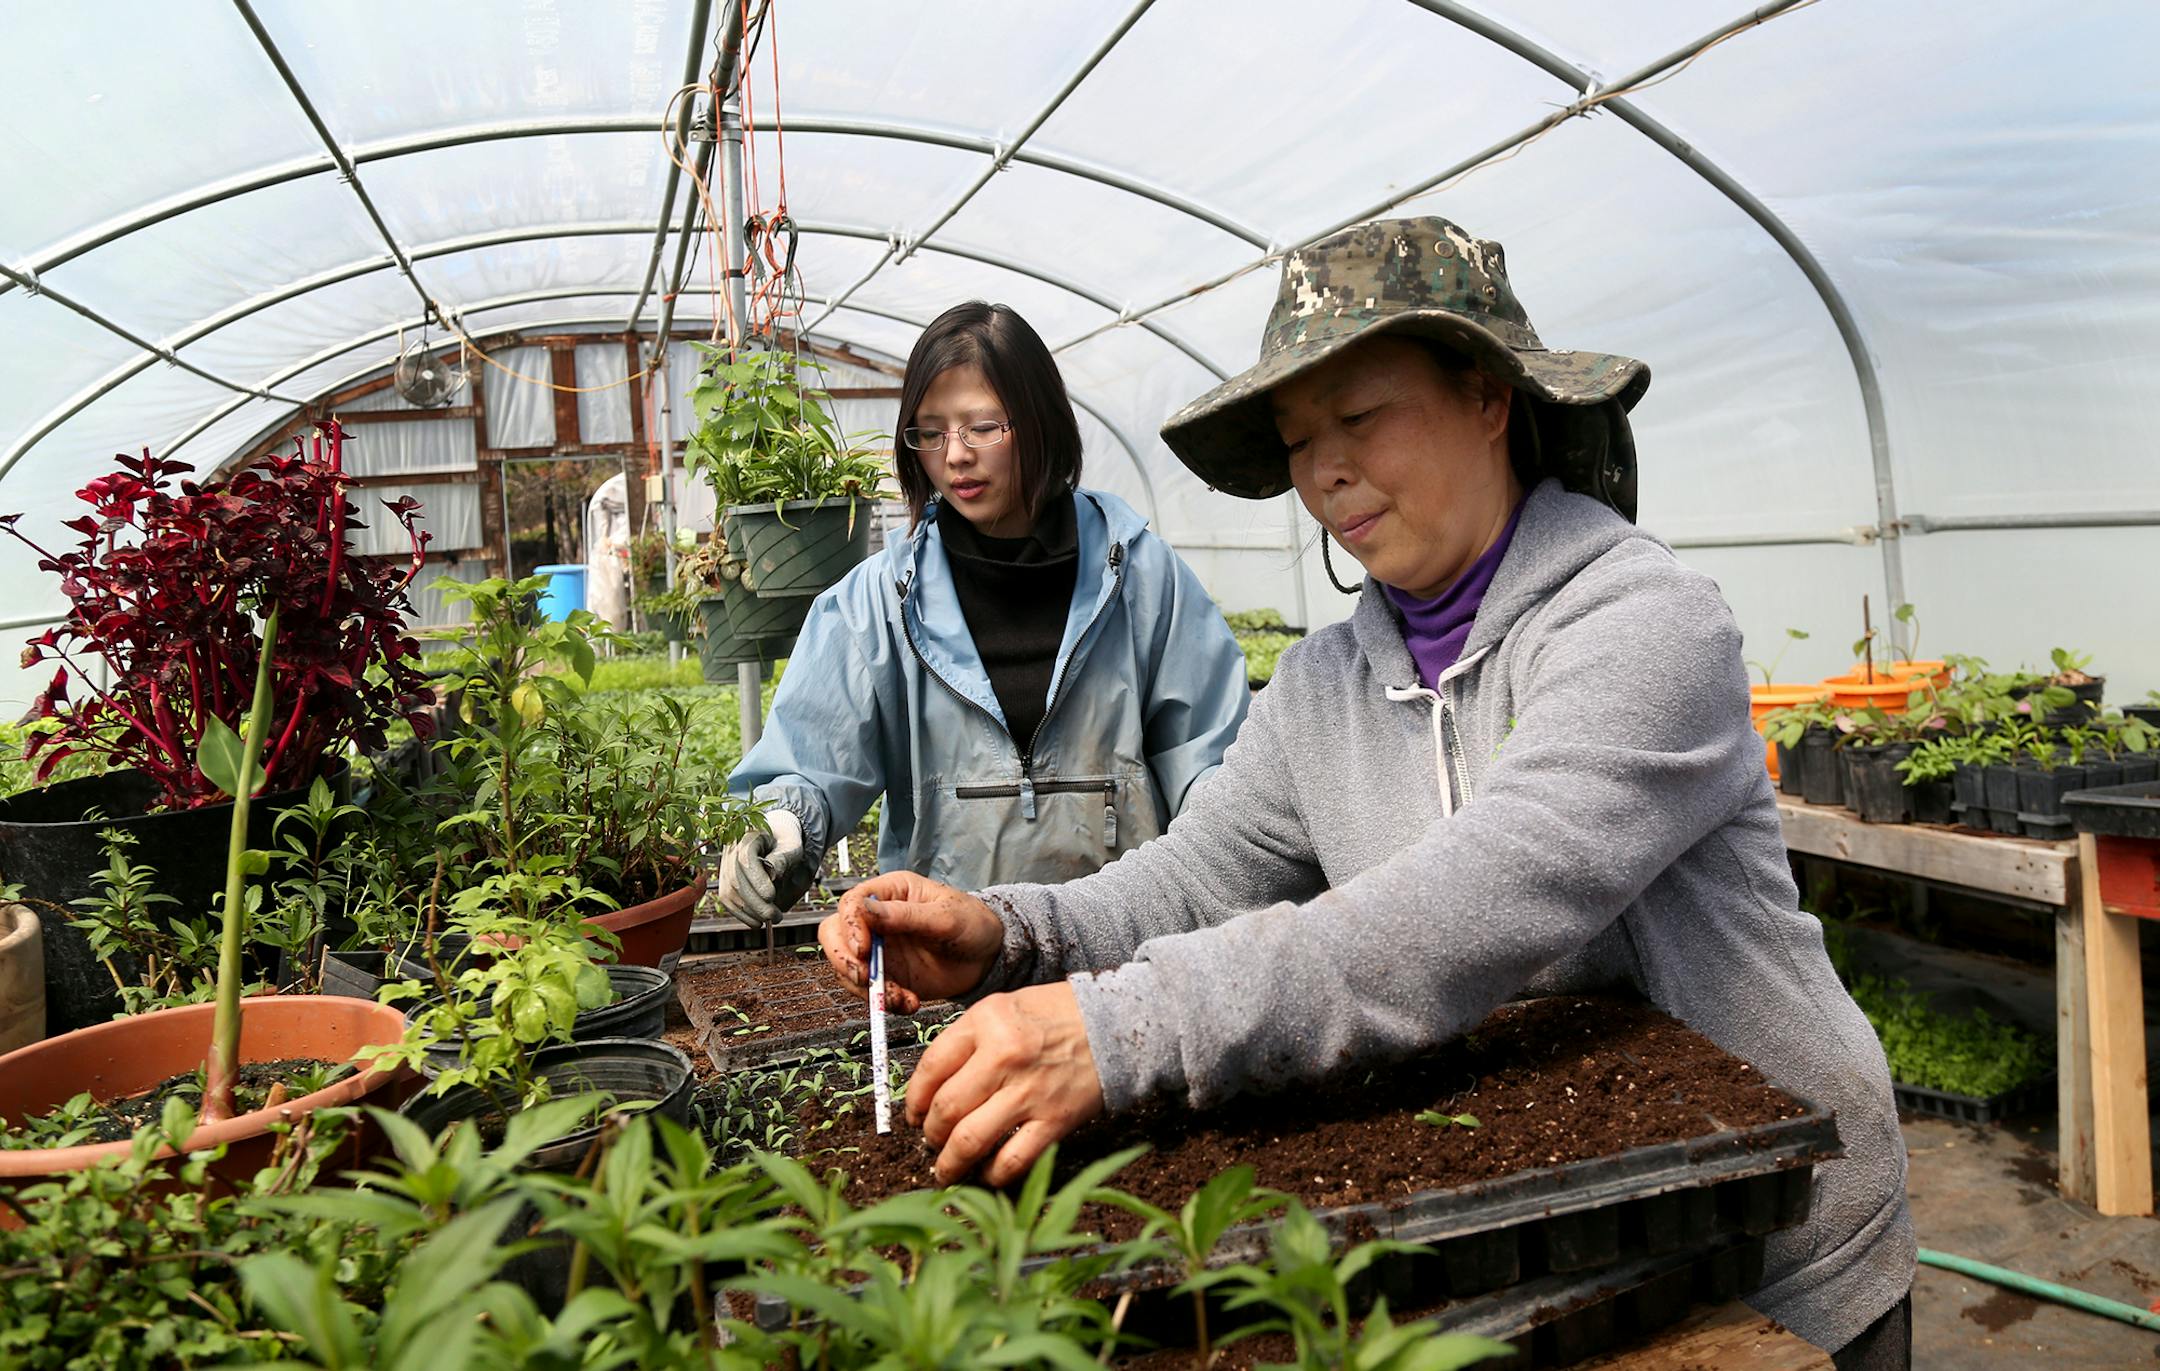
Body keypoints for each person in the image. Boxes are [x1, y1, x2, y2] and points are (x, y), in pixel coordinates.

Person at [819, 220, 1915, 1369]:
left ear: (1490, 399)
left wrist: (1126, 1028)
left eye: (1360, 418)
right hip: (1549, 1246)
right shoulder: (1325, 684)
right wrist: (1007, 933)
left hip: (1778, 1245)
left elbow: (1468, 905)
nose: (1323, 472)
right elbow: (1198, 875)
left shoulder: (1646, 626)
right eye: (1299, 440)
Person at [716, 301, 1252, 923]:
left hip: (1127, 953)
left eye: (982, 426)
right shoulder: (877, 605)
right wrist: (781, 826)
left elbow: (1213, 759)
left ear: (1042, 422)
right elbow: (809, 756)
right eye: (931, 431)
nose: (956, 455)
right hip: (945, 964)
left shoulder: (1140, 580)